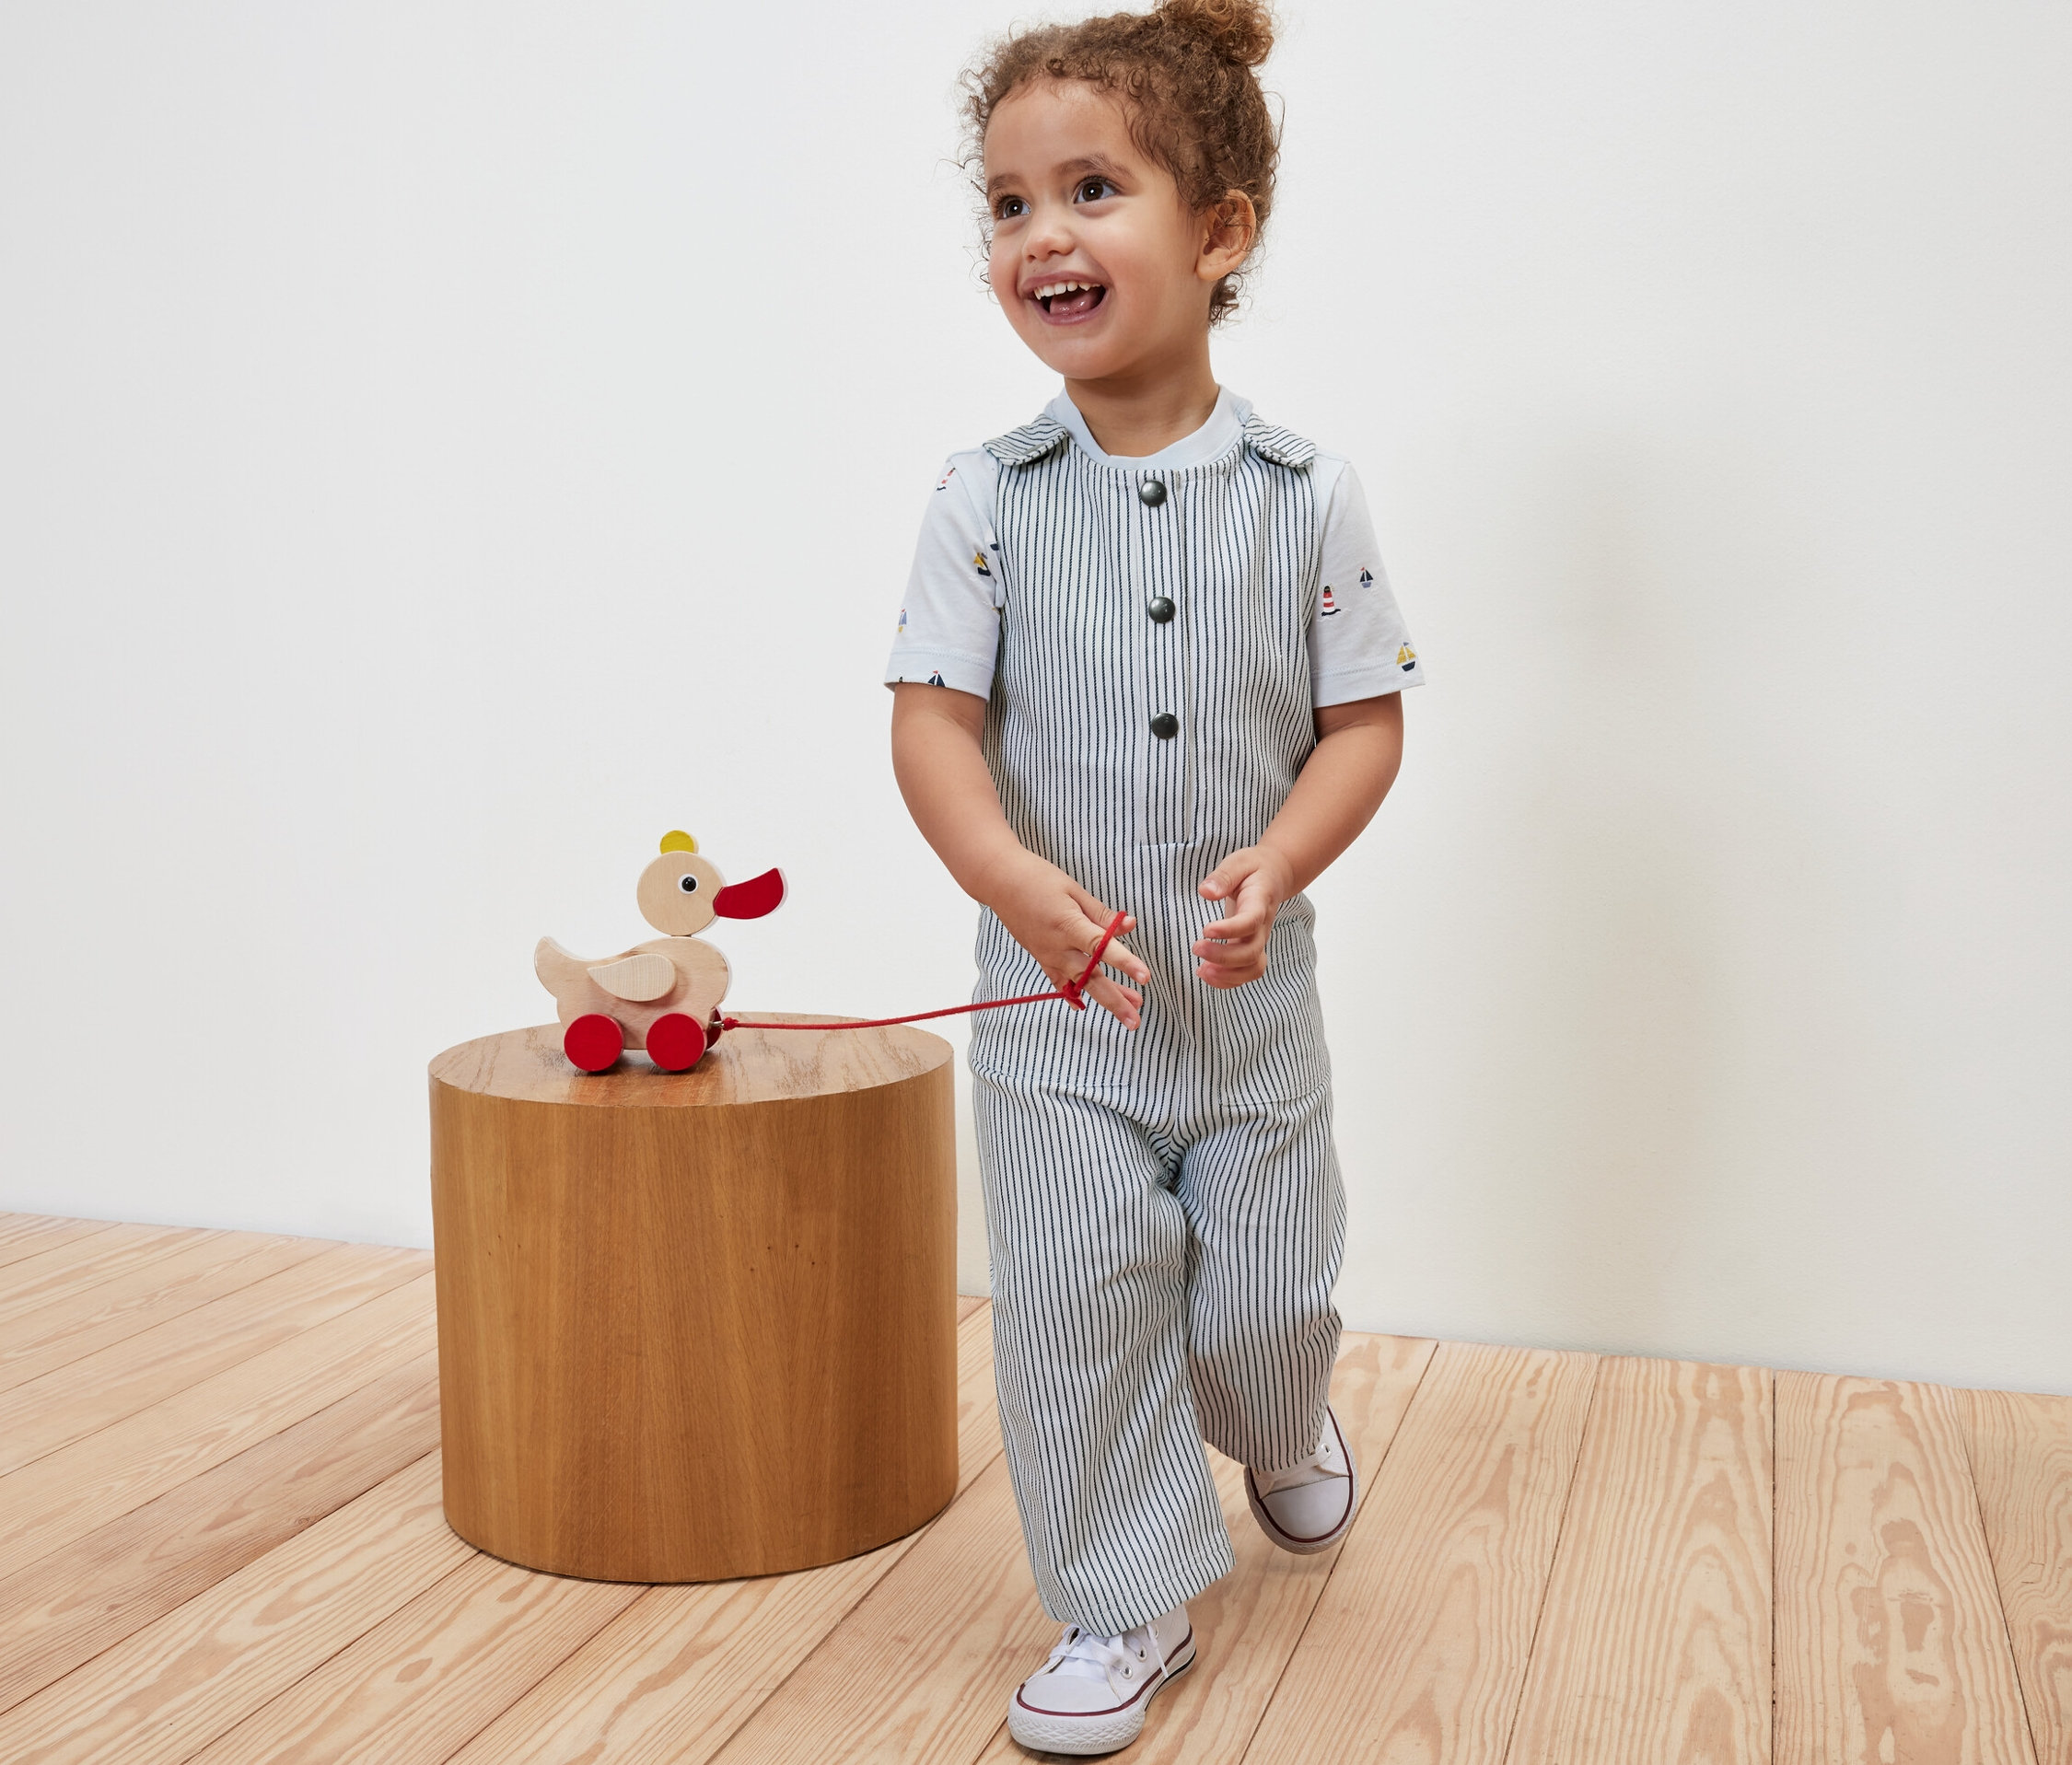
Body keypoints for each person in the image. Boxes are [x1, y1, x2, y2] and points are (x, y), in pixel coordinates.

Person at [885, 0, 1422, 1752]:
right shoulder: (982, 498)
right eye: (1008, 204)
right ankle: (1121, 1603)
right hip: (1059, 1029)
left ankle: (1281, 1425)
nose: (1041, 234)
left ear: (1217, 229)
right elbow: (934, 729)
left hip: (1248, 1024)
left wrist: (1280, 852)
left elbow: (1362, 729)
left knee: (1267, 1299)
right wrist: (1012, 881)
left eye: (1090, 189)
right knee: (1076, 1306)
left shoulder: (1305, 493)